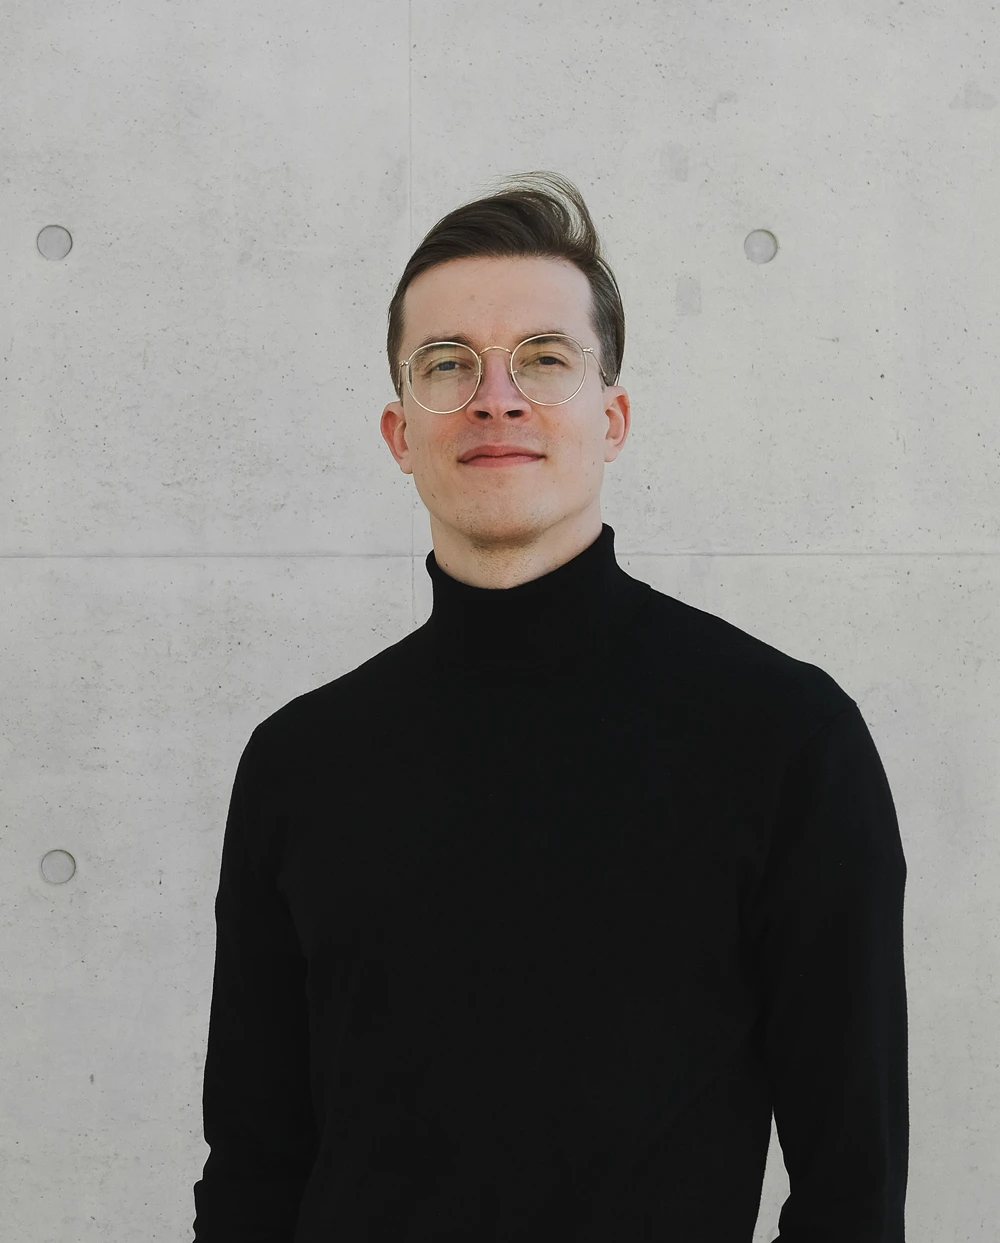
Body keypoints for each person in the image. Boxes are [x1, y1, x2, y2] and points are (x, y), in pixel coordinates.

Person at [192, 171, 908, 1241]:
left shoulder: (786, 738)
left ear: (610, 417)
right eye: (448, 365)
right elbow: (253, 1167)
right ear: (399, 433)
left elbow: (849, 1190)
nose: (496, 396)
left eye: (543, 358)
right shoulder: (299, 761)